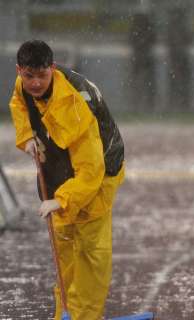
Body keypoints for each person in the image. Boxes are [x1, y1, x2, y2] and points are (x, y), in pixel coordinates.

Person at [8, 40, 125, 320]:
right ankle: (65, 313)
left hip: (99, 171)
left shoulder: (73, 105)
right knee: (64, 245)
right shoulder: (23, 85)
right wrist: (26, 138)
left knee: (89, 251)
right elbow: (19, 104)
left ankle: (85, 316)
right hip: (62, 168)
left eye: (42, 76)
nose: (35, 83)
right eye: (29, 76)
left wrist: (61, 200)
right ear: (19, 71)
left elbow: (91, 171)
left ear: (54, 68)